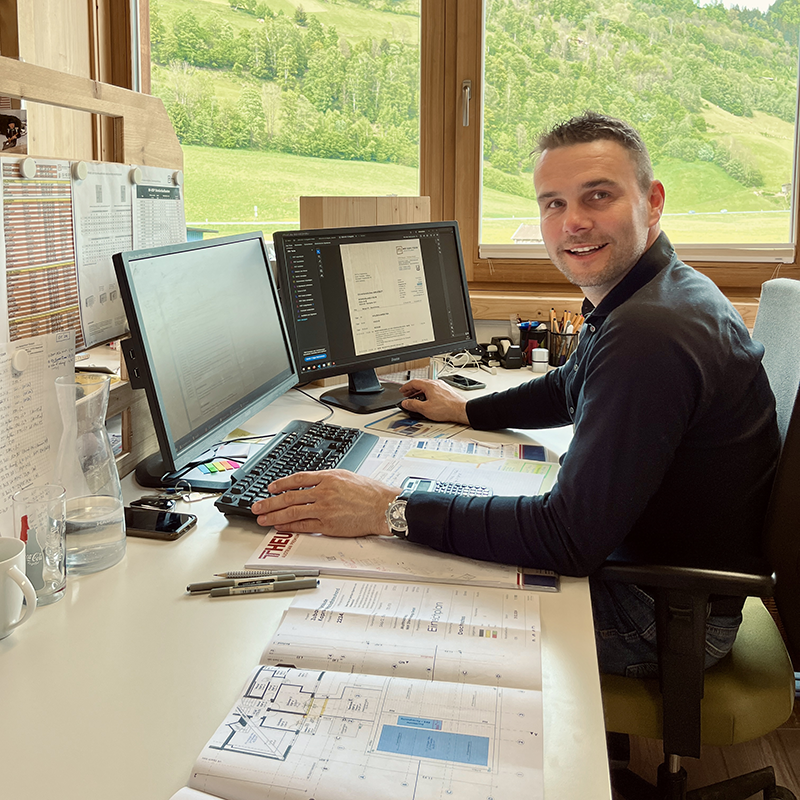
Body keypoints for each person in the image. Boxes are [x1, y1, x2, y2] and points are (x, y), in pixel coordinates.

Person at [252, 111, 780, 677]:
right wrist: (466, 410)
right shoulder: (658, 289)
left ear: (652, 201)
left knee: (370, 596)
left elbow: (566, 537)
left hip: (657, 615)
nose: (572, 222)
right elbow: (568, 385)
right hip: (653, 575)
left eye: (597, 196)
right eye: (553, 203)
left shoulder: (651, 335)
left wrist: (388, 510)